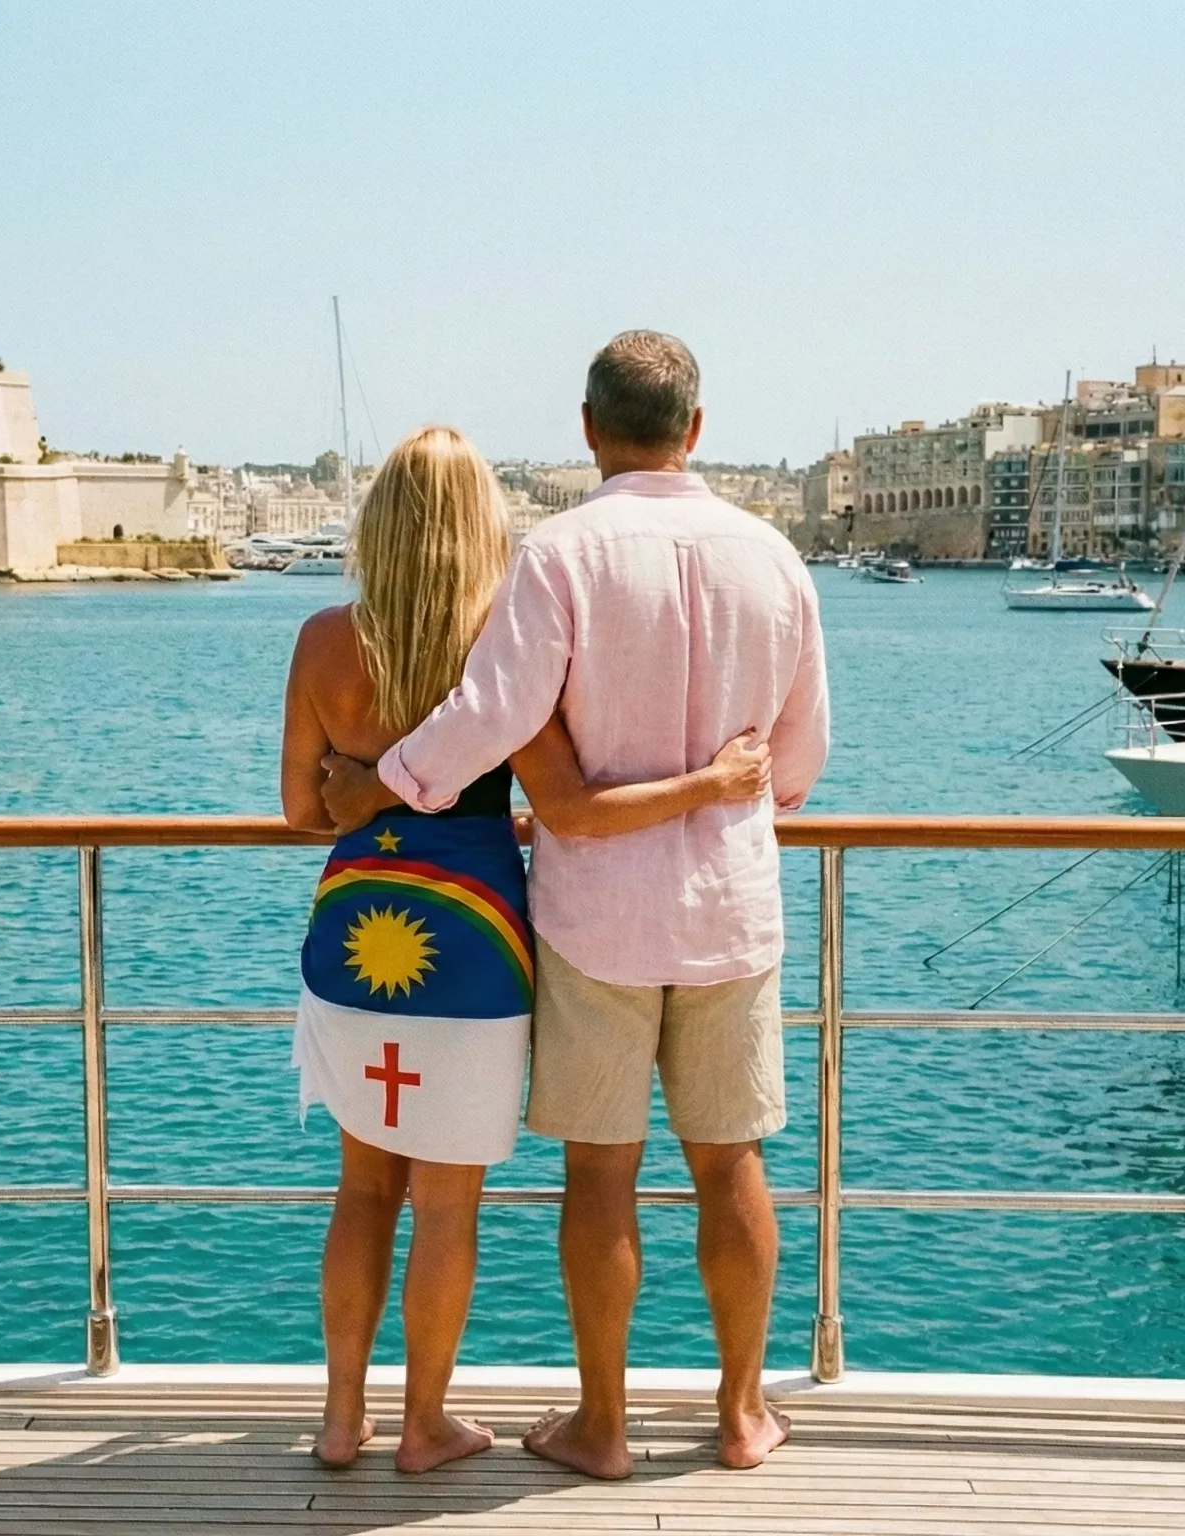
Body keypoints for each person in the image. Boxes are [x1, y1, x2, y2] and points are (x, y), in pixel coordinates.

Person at [322, 332, 829, 1477]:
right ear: (696, 430)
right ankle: (743, 1414)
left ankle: (600, 1427)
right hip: (730, 910)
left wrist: (383, 786)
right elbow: (799, 762)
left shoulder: (559, 555)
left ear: (589, 429)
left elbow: (491, 711)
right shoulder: (775, 559)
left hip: (594, 915)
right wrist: (724, 793)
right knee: (729, 1162)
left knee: (600, 1173)